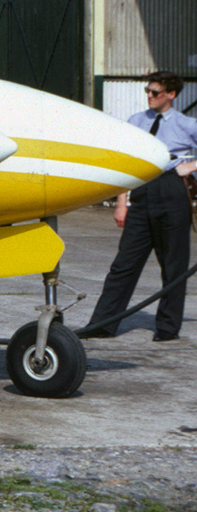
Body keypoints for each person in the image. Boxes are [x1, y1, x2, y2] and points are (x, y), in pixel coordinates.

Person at [79, 71, 197, 341]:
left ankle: (167, 328)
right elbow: (127, 164)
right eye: (148, 91)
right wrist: (122, 203)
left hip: (171, 190)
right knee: (125, 263)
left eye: (155, 92)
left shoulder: (186, 124)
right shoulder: (136, 121)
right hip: (142, 192)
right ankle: (103, 323)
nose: (150, 96)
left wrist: (191, 166)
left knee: (173, 264)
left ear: (171, 95)